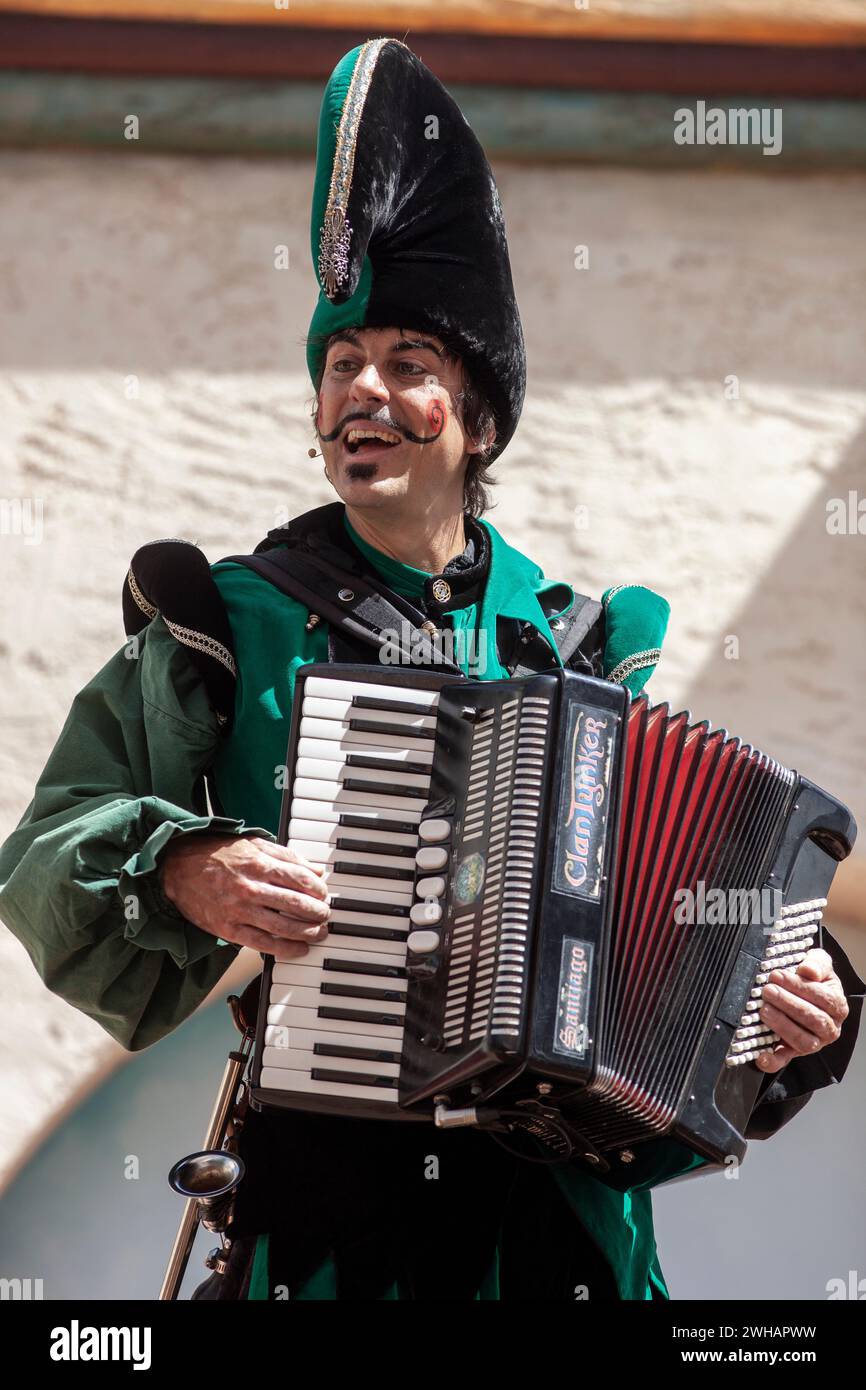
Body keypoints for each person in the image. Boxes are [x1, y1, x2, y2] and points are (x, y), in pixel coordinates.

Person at [0, 38, 861, 1302]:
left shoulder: (577, 644)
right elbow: (45, 855)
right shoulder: (224, 620)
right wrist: (186, 866)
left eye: (408, 363)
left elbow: (682, 931)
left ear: (478, 416)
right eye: (341, 363)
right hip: (337, 1223)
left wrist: (797, 996)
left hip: (564, 1243)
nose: (364, 390)